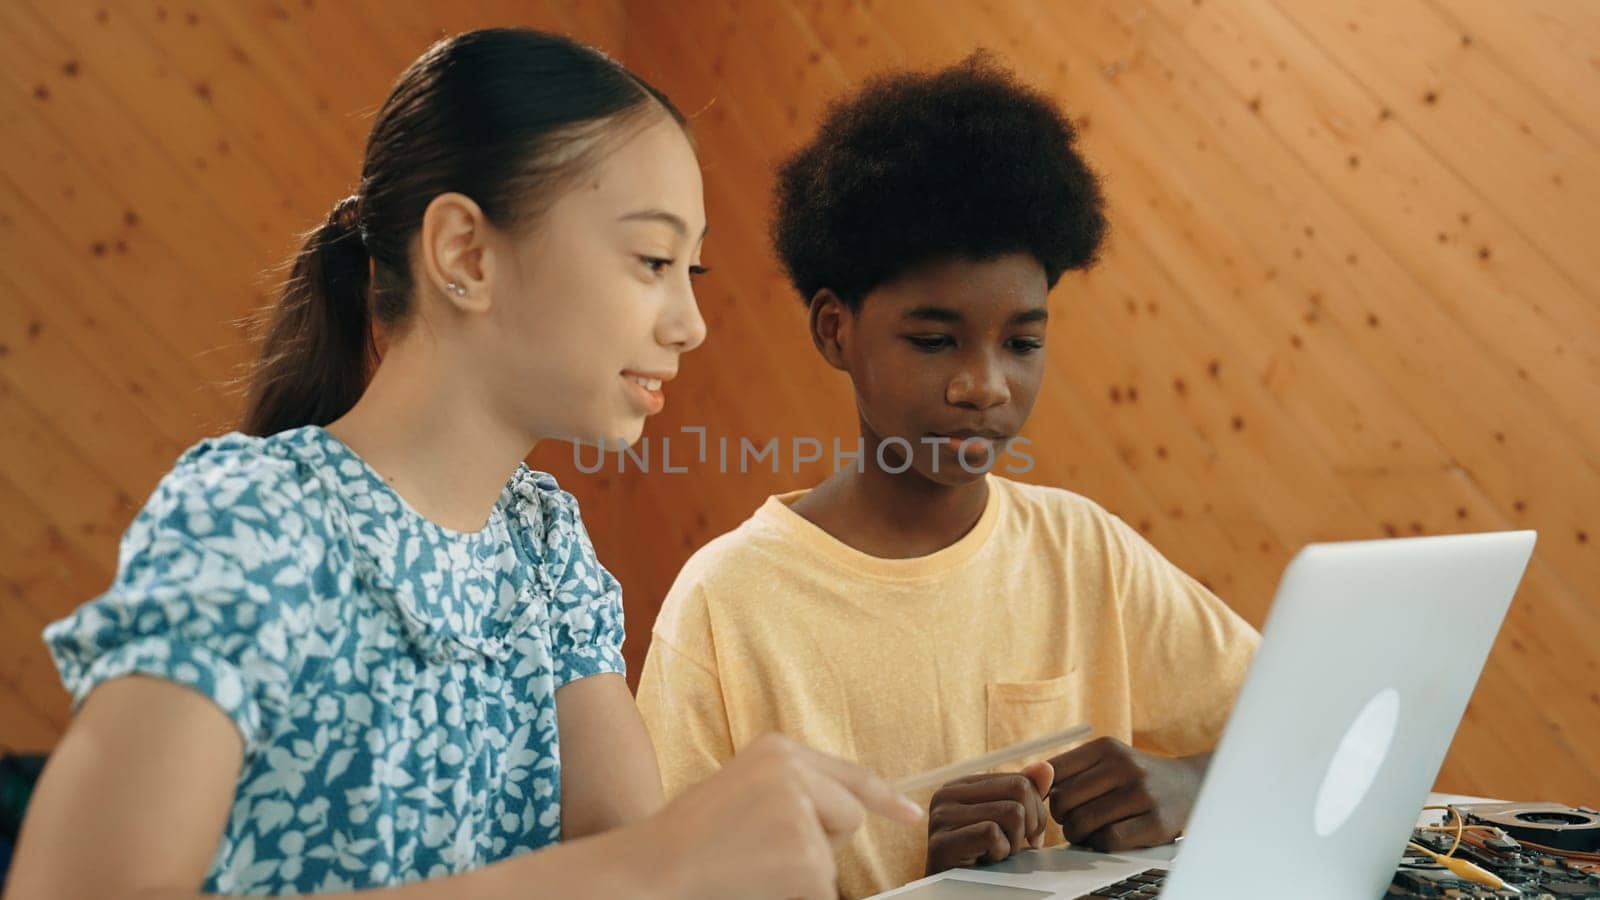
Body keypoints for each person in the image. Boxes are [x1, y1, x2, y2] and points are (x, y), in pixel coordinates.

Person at [6, 28, 919, 900]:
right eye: (651, 259)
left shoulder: (546, 546)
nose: (691, 323)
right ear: (464, 254)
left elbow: (630, 858)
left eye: (693, 272)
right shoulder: (253, 523)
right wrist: (650, 868)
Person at [636, 54, 1260, 898]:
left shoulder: (1084, 552)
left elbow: (1306, 729)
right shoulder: (728, 605)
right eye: (935, 341)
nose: (986, 385)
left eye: (1023, 343)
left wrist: (1187, 784)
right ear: (834, 332)